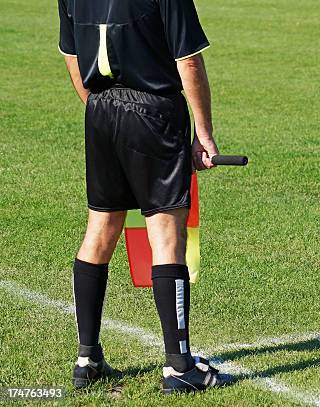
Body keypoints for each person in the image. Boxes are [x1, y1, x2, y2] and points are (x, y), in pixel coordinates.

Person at [57, 0, 233, 393]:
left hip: (99, 111)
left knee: (100, 228)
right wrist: (203, 134)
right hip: (154, 113)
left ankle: (87, 360)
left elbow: (71, 57)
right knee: (167, 235)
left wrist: (104, 113)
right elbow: (188, 61)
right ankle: (180, 367)